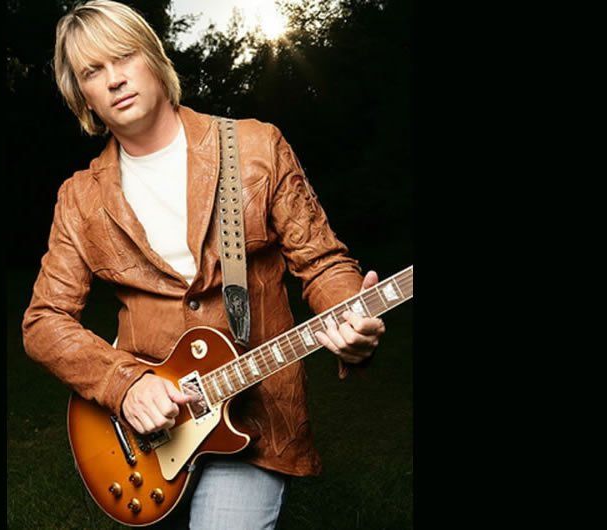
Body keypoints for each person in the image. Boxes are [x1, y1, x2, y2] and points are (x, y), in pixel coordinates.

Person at [22, 1, 386, 528]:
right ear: (83, 97)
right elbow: (44, 321)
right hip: (147, 431)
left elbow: (323, 261)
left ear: (153, 58)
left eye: (123, 56)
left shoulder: (255, 148)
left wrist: (349, 312)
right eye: (92, 72)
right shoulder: (80, 198)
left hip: (254, 420)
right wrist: (124, 385)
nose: (114, 79)